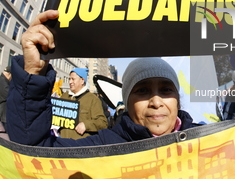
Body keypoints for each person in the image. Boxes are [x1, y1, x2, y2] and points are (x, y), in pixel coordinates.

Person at [7, 10, 198, 146]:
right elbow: (34, 152)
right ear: (127, 101)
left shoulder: (212, 139)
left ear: (178, 100)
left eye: (166, 90)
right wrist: (32, 72)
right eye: (142, 90)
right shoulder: (104, 147)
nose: (156, 102)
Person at [57, 68, 108, 139]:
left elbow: (103, 123)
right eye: (69, 79)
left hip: (80, 146)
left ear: (82, 80)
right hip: (62, 143)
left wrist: (86, 125)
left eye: (73, 79)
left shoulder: (92, 99)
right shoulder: (65, 96)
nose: (70, 82)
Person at [0, 66, 11, 132]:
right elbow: (8, 95)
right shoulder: (3, 82)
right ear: (9, 74)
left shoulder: (3, 80)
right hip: (3, 113)